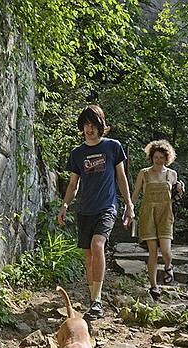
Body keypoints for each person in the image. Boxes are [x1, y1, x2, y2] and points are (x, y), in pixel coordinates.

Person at [57, 105, 135, 320]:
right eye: (85, 125)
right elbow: (73, 185)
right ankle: (93, 301)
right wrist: (64, 205)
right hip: (84, 210)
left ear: (101, 126)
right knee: (89, 257)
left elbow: (121, 177)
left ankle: (98, 300)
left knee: (97, 245)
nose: (89, 129)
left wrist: (129, 204)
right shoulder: (77, 153)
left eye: (92, 125)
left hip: (106, 207)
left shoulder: (113, 147)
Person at [129, 139, 183, 299]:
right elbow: (135, 194)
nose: (158, 160)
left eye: (161, 157)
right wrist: (129, 210)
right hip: (148, 215)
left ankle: (168, 266)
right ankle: (153, 286)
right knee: (153, 252)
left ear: (167, 158)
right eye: (156, 157)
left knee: (166, 251)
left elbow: (175, 198)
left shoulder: (171, 174)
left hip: (166, 215)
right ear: (151, 157)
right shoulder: (144, 173)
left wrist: (179, 191)